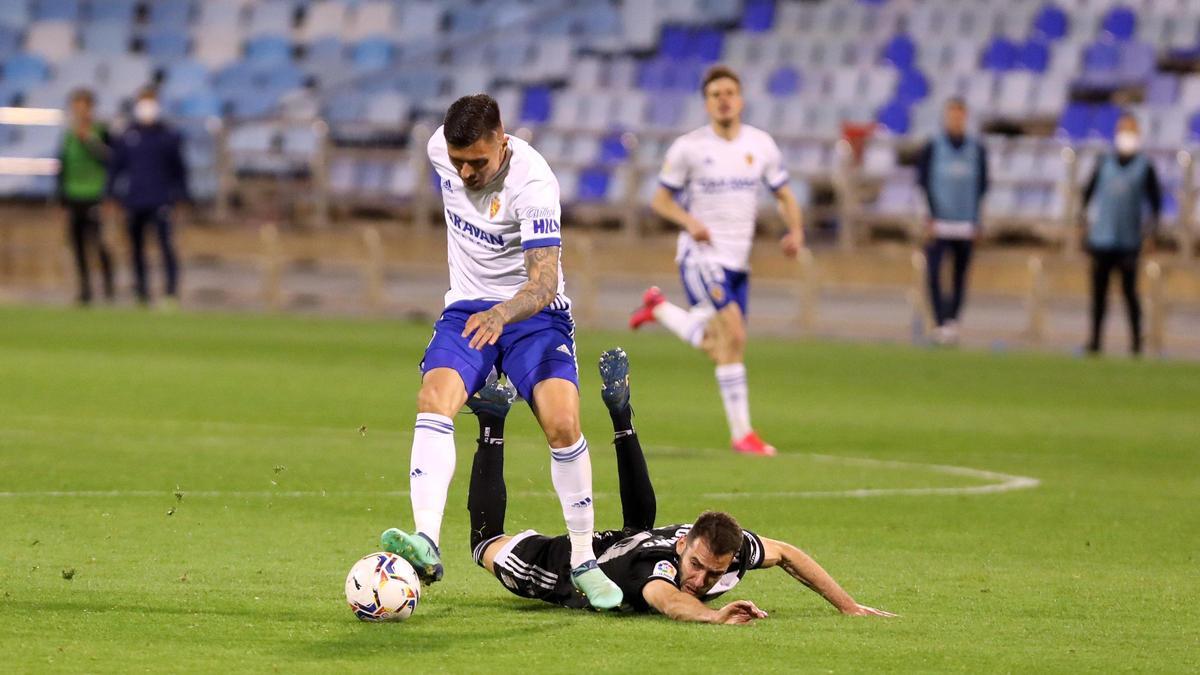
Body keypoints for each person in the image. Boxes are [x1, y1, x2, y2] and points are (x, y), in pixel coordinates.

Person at [379, 94, 623, 610]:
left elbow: (544, 282)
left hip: (532, 316)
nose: (465, 171)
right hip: (467, 307)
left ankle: (583, 558)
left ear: (503, 140)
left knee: (562, 423)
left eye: (478, 162)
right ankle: (426, 541)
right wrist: (483, 312)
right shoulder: (437, 150)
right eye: (458, 160)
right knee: (434, 398)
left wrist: (502, 314)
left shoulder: (534, 185)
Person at [458, 348, 895, 623]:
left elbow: (788, 554)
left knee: (640, 524)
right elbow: (670, 602)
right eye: (697, 565)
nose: (701, 579)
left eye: (714, 573)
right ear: (683, 540)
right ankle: (493, 422)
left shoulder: (722, 549)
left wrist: (848, 605)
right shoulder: (661, 572)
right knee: (485, 544)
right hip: (562, 568)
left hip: (620, 545)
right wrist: (715, 616)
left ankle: (621, 414)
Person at [629, 65, 805, 457]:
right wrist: (690, 222)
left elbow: (785, 195)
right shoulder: (689, 148)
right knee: (736, 336)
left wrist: (796, 231)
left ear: (740, 99)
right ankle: (743, 435)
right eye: (715, 94)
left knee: (719, 345)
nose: (724, 99)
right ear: (707, 102)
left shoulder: (761, 145)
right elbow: (660, 200)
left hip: (738, 262)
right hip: (701, 256)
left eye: (729, 92)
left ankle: (659, 310)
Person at [1080, 113, 1162, 356]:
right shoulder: (1104, 161)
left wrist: (1150, 233)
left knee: (1129, 293)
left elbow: (1155, 204)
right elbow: (1087, 194)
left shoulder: (1144, 166)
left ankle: (1136, 342)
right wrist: (1083, 226)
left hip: (1129, 240)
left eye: (1131, 130)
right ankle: (1095, 341)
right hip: (1102, 238)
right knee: (1098, 294)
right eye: (1123, 129)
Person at [915, 98, 989, 346]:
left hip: (966, 222)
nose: (956, 120)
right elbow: (922, 183)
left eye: (960, 115)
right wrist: (929, 217)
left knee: (960, 274)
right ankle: (938, 320)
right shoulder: (933, 147)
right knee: (934, 272)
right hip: (939, 221)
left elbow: (982, 187)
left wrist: (977, 220)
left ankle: (952, 321)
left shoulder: (976, 149)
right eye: (952, 115)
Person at [106, 87, 190, 307]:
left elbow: (179, 170)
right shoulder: (127, 135)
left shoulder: (168, 136)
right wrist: (111, 195)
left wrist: (181, 197)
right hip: (134, 200)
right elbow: (115, 168)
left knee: (166, 247)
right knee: (135, 248)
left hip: (161, 200)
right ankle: (141, 291)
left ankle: (170, 291)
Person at [57, 88, 114, 305]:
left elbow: (111, 160)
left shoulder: (101, 131)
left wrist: (90, 141)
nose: (79, 111)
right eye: (75, 107)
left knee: (99, 243)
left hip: (95, 195)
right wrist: (61, 200)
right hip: (73, 196)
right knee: (77, 245)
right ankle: (85, 290)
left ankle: (108, 288)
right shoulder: (68, 136)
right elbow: (63, 168)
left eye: (83, 106)